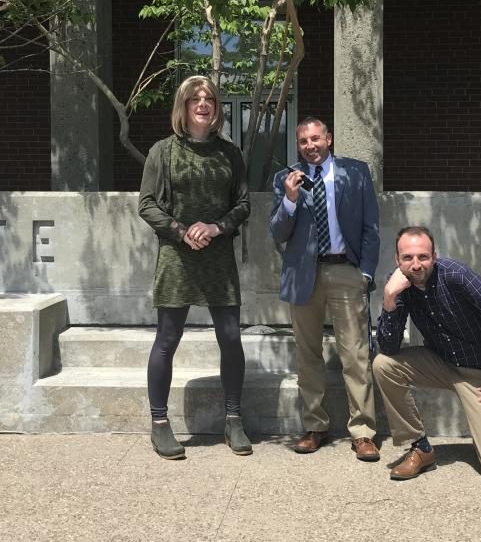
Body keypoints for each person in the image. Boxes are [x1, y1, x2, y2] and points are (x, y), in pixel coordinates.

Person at [138, 75, 252, 460]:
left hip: (218, 256)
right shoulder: (163, 152)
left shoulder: (230, 153)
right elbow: (148, 204)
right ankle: (159, 424)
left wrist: (218, 226)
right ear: (183, 107)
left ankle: (233, 419)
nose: (203, 104)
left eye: (209, 99)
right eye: (194, 99)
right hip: (177, 255)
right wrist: (181, 230)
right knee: (167, 339)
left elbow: (243, 204)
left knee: (231, 337)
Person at [372, 226, 481, 482]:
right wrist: (389, 298)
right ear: (397, 260)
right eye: (407, 258)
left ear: (434, 256)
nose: (416, 264)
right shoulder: (398, 284)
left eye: (423, 257)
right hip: (441, 363)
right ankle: (420, 448)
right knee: (384, 364)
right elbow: (389, 347)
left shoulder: (457, 276)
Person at [270, 117, 381, 461]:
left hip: (345, 271)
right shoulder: (286, 178)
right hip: (304, 275)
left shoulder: (356, 172)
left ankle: (362, 432)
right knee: (308, 355)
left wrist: (364, 273)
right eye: (303, 141)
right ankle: (315, 426)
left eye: (316, 139)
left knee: (355, 355)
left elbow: (370, 228)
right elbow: (278, 232)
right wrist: (289, 199)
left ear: (328, 140)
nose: (310, 146)